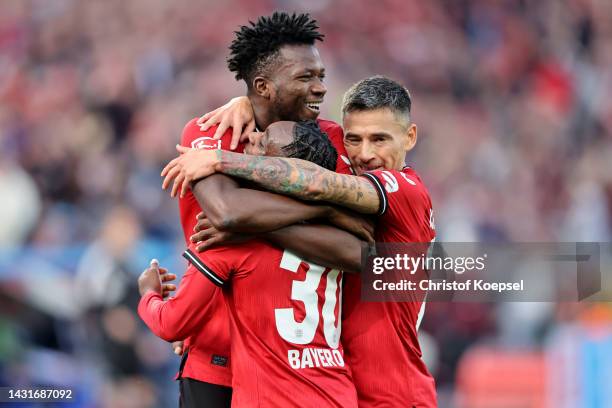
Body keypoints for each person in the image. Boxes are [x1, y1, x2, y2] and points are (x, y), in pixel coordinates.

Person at [162, 76, 438, 407]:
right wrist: (246, 102)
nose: (366, 154)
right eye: (354, 139)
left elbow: (318, 183)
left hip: (393, 394)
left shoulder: (404, 190)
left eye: (380, 139)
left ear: (410, 137)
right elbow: (297, 131)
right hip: (341, 390)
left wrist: (220, 160)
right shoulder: (353, 175)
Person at [142, 11, 358, 407]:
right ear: (264, 86)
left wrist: (252, 223)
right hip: (214, 355)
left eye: (321, 75)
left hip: (294, 363)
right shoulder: (209, 131)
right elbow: (226, 213)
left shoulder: (329, 138)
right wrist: (322, 205)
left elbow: (361, 240)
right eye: (306, 77)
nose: (321, 88)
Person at [140, 121, 366, 407]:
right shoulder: (336, 239)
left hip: (269, 398)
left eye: (262, 143)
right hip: (337, 394)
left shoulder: (228, 238)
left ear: (280, 173)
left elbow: (172, 323)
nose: (251, 138)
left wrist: (148, 292)